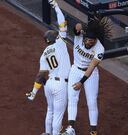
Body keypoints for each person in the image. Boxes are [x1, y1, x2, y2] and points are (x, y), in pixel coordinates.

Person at [61, 15, 111, 135]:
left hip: (91, 74)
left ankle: (93, 131)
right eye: (88, 40)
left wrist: (81, 82)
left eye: (92, 41)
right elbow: (76, 27)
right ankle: (71, 128)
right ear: (84, 37)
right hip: (75, 70)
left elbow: (91, 67)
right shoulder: (79, 36)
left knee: (92, 102)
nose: (89, 42)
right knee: (72, 99)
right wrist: (79, 27)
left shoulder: (100, 49)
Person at [25, 0, 71, 135]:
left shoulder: (44, 54)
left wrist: (33, 93)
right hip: (60, 85)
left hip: (49, 84)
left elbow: (40, 75)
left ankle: (46, 133)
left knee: (50, 110)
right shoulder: (60, 43)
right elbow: (62, 21)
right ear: (55, 38)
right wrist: (56, 6)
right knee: (58, 115)